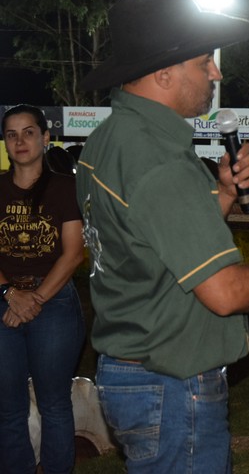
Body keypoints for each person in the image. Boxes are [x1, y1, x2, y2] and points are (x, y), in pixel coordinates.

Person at [75, 0, 249, 473]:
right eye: (203, 62)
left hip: (133, 370)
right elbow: (224, 292)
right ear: (163, 73)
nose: (216, 72)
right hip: (170, 384)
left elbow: (151, 248)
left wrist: (221, 196)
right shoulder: (159, 161)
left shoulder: (108, 140)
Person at [0, 105, 85, 474]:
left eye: (29, 132)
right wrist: (10, 294)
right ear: (4, 143)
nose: (20, 141)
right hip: (4, 301)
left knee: (54, 403)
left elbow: (73, 253)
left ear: (45, 138)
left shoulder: (66, 187)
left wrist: (33, 299)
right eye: (12, 134)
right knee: (7, 406)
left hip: (54, 302)